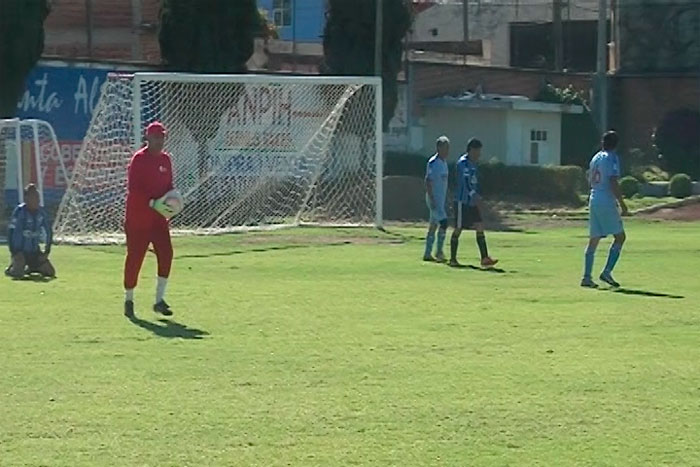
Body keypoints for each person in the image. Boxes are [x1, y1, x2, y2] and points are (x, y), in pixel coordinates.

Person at [123, 121, 178, 318]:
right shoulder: (139, 160)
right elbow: (134, 190)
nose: (160, 141)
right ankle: (129, 299)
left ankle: (159, 300)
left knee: (166, 253)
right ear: (148, 138)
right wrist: (153, 202)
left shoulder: (166, 160)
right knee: (135, 258)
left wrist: (173, 199)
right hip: (138, 218)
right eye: (156, 137)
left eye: (162, 137)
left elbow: (169, 185)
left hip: (158, 219)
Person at [581, 130, 628, 288]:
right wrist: (622, 205)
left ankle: (586, 277)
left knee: (594, 239)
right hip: (605, 200)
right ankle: (607, 272)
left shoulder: (596, 158)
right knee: (620, 237)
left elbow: (590, 178)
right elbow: (613, 181)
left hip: (594, 198)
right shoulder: (612, 158)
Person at [450, 138, 498, 268]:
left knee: (480, 225)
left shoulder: (474, 164)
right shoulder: (463, 163)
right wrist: (473, 195)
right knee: (458, 228)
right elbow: (465, 182)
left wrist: (478, 195)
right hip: (462, 201)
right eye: (478, 151)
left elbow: (473, 182)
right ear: (471, 150)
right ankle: (452, 259)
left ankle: (484, 258)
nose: (479, 154)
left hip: (472, 202)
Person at [5, 184, 56, 279]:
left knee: (50, 272)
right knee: (18, 274)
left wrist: (46, 251)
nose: (37, 200)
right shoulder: (19, 212)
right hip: (20, 252)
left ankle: (32, 268)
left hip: (34, 252)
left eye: (38, 197)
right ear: (26, 199)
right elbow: (10, 232)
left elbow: (49, 231)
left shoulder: (41, 213)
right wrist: (14, 252)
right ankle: (12, 268)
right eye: (34, 197)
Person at [423, 136, 450, 262]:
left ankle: (428, 253)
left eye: (448, 148)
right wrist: (432, 198)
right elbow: (428, 181)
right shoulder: (433, 162)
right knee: (444, 223)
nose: (447, 151)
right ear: (439, 148)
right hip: (434, 199)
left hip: (440, 200)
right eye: (445, 148)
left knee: (433, 225)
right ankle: (439, 251)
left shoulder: (444, 163)